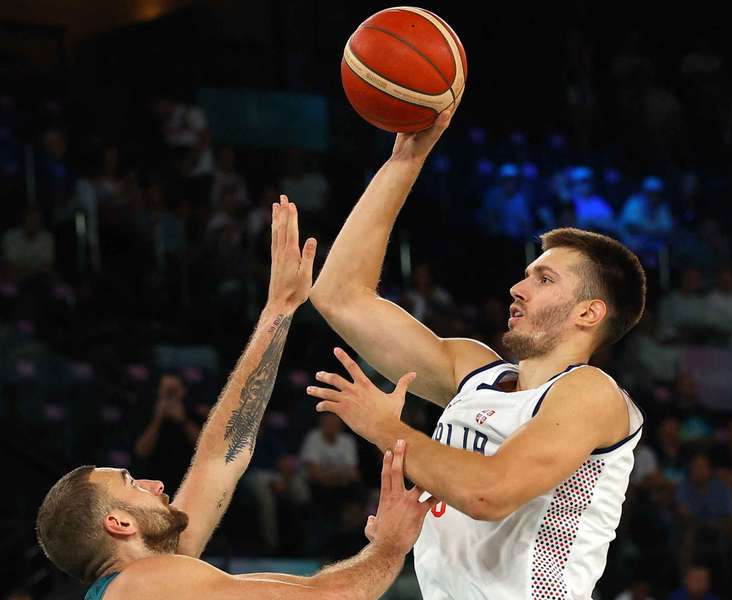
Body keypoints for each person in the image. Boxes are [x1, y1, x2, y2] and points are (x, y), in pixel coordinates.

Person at [308, 106, 647, 598]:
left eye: (544, 279)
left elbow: (488, 492)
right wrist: (406, 158)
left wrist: (383, 427)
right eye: (526, 274)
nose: (517, 288)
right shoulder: (472, 371)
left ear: (589, 313)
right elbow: (339, 296)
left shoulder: (590, 393)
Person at [35, 196, 435, 599]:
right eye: (131, 483)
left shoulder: (150, 581)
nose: (154, 483)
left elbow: (220, 454)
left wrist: (278, 308)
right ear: (119, 523)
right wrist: (389, 548)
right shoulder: (143, 585)